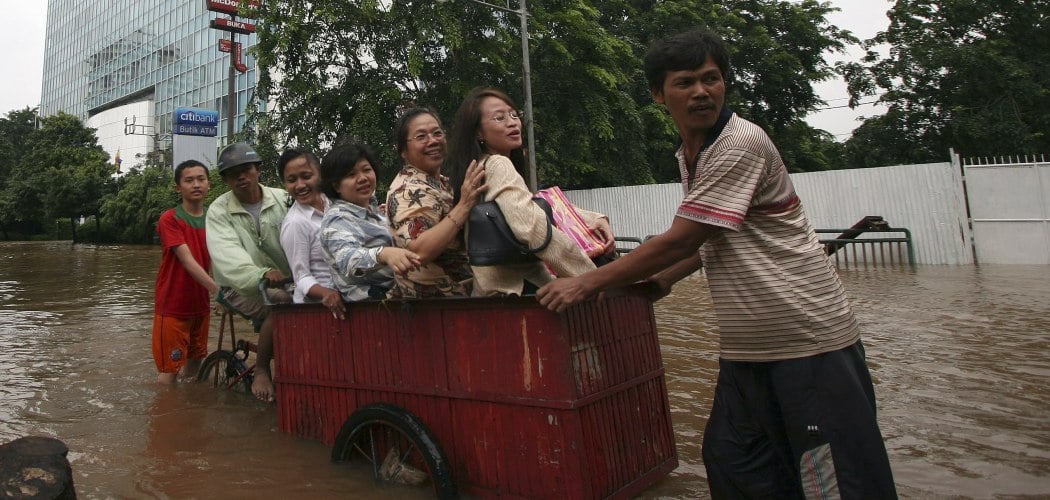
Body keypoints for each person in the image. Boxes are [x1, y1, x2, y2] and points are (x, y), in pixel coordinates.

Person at [537, 28, 897, 498]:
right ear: (658, 95)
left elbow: (685, 236)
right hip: (750, 348)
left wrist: (586, 284)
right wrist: (663, 281)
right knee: (734, 463)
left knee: (831, 480)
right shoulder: (692, 154)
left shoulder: (738, 144)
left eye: (712, 79)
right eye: (685, 82)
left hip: (808, 344)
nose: (702, 91)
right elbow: (718, 238)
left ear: (725, 83)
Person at [446, 87, 612, 296]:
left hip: (492, 291)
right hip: (520, 292)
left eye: (515, 115)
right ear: (478, 132)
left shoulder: (478, 168)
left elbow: (535, 205)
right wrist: (590, 277)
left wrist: (594, 218)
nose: (512, 122)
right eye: (499, 118)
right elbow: (532, 227)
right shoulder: (498, 164)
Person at [206, 142, 292, 402]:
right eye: (234, 173)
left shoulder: (284, 198)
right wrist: (261, 274)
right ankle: (263, 368)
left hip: (289, 279)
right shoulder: (219, 211)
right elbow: (228, 256)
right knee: (283, 305)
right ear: (225, 180)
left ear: (258, 171)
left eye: (247, 170)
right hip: (237, 286)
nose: (242, 177)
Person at [385, 107, 487, 298]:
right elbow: (419, 251)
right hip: (434, 308)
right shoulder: (409, 189)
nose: (433, 141)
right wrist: (464, 206)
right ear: (403, 151)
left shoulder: (443, 183)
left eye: (437, 133)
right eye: (421, 136)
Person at [318, 142, 421, 301]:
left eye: (366, 170)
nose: (362, 178)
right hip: (371, 311)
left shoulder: (376, 211)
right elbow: (348, 260)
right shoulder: (337, 218)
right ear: (336, 185)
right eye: (351, 175)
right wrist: (383, 254)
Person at [152, 159, 220, 384]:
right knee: (169, 373)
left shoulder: (216, 217)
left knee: (195, 367)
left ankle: (190, 412)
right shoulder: (170, 219)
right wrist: (217, 291)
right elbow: (187, 260)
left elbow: (221, 257)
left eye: (201, 179)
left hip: (200, 306)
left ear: (209, 184)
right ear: (178, 187)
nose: (196, 184)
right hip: (173, 306)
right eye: (189, 180)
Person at [278, 148, 345, 319]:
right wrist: (326, 294)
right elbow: (301, 276)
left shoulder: (334, 204)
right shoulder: (295, 223)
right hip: (315, 310)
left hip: (348, 299)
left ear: (320, 175)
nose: (300, 185)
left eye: (306, 176)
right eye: (292, 180)